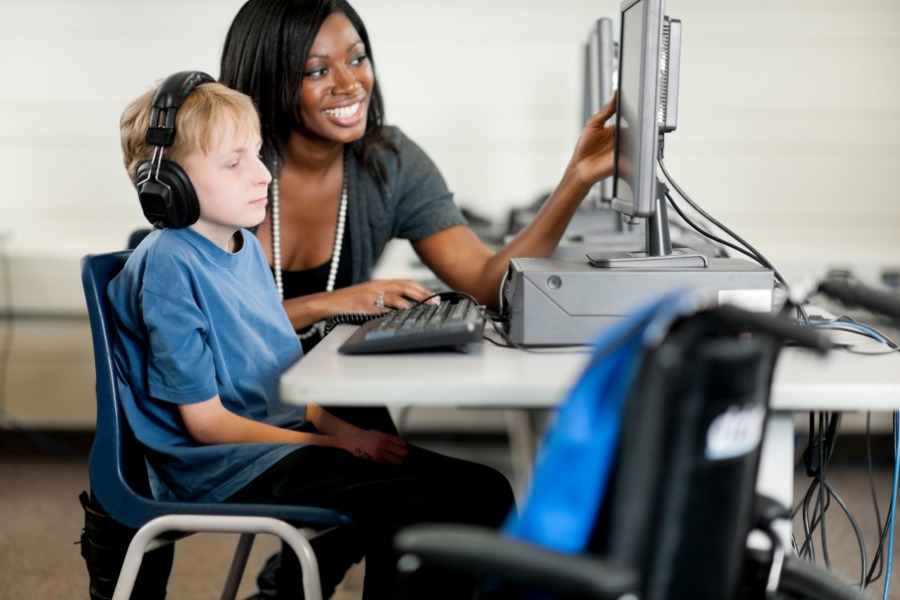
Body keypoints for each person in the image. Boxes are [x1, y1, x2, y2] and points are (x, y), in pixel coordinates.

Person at [110, 74, 515, 599]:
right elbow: (207, 425)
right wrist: (334, 442)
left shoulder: (241, 246)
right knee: (432, 503)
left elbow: (281, 389)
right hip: (222, 466)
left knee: (484, 489)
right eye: (235, 163)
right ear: (165, 184)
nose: (262, 176)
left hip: (267, 445)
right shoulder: (169, 265)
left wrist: (348, 437)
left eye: (257, 155)